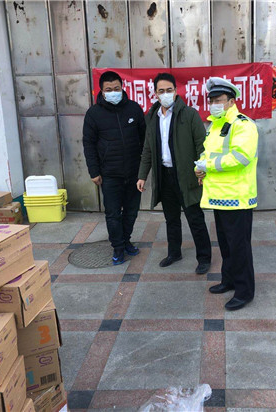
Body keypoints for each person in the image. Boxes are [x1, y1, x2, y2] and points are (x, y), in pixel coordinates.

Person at [137, 73, 212, 274]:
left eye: (169, 90)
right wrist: (142, 175)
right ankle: (174, 252)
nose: (165, 94)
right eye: (161, 91)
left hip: (186, 175)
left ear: (176, 91)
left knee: (195, 218)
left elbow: (201, 145)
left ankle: (204, 258)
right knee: (171, 218)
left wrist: (202, 169)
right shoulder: (152, 117)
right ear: (155, 94)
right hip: (164, 175)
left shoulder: (189, 114)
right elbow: (147, 149)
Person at [195, 77, 259, 311]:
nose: (214, 104)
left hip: (237, 197)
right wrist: (200, 166)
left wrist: (208, 165)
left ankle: (244, 291)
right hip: (220, 196)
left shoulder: (243, 125)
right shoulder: (215, 125)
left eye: (219, 100)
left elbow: (240, 158)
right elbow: (208, 152)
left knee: (239, 247)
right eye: (211, 100)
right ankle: (229, 280)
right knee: (226, 244)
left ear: (231, 101)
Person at [83, 71, 146, 265]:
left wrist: (143, 169)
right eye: (108, 89)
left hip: (133, 173)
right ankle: (118, 248)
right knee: (113, 214)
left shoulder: (134, 109)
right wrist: (94, 171)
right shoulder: (94, 114)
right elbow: (88, 144)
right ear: (101, 91)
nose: (113, 92)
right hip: (109, 174)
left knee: (131, 211)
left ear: (122, 88)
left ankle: (126, 241)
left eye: (116, 88)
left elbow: (144, 139)